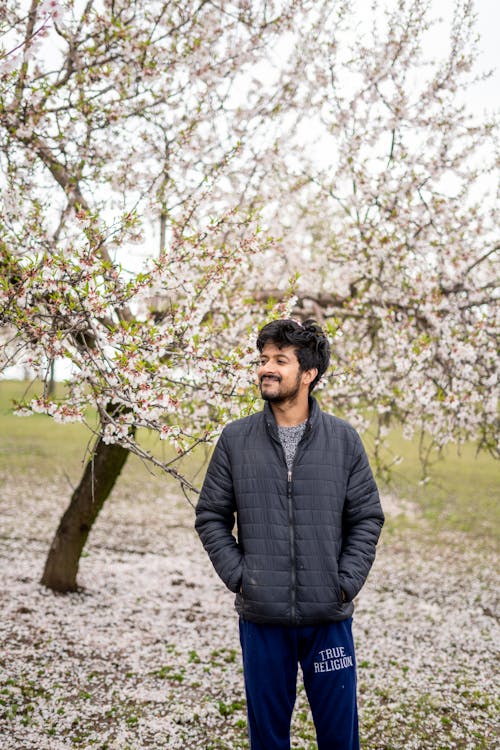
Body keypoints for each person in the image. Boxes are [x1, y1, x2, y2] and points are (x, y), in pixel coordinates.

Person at [195, 318, 384, 750]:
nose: (267, 368)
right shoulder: (235, 440)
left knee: (340, 738)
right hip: (263, 620)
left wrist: (345, 583)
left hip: (328, 619)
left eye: (281, 360)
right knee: (267, 740)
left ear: (309, 373)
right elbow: (210, 516)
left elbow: (367, 518)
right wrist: (243, 577)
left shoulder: (343, 440)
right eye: (263, 359)